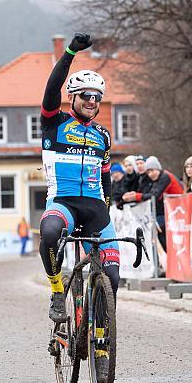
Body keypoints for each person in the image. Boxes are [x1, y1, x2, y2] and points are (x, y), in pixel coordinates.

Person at [38, 32, 120, 346]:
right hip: (64, 204)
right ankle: (58, 291)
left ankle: (99, 334)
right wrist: (71, 51)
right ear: (73, 97)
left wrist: (107, 214)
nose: (91, 101)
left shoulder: (103, 135)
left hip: (96, 209)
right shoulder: (53, 123)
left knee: (111, 277)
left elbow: (106, 179)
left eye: (97, 97)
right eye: (85, 95)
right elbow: (51, 87)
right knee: (49, 232)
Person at [123, 156, 183, 251]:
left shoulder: (165, 177)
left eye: (152, 170)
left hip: (178, 211)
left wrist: (136, 196)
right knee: (158, 232)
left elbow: (154, 195)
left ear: (158, 168)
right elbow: (151, 194)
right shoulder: (157, 179)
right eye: (148, 172)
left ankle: (169, 254)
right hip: (169, 211)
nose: (151, 174)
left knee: (159, 231)